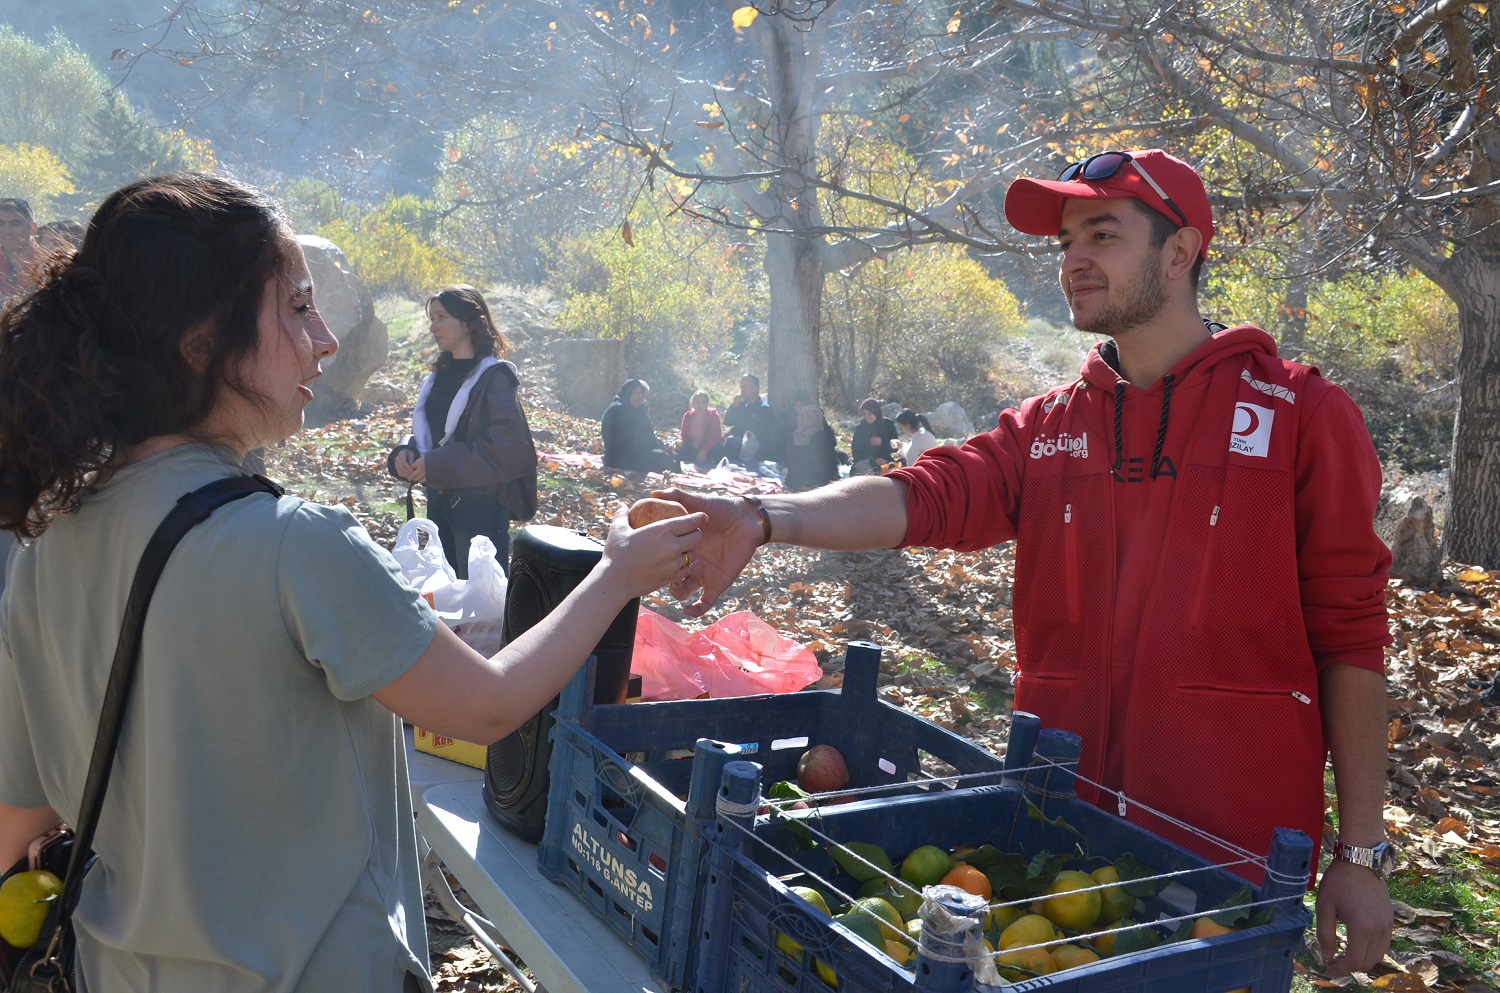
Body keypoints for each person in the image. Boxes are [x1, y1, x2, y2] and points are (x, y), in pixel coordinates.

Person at [659, 149, 1393, 977]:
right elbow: (924, 495)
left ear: (1181, 252)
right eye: (1067, 239)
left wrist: (1361, 851)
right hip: (1057, 851)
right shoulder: (1048, 427)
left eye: (1103, 234)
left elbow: (1353, 639)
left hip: (1227, 867)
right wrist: (765, 518)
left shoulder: (1304, 415)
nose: (1073, 258)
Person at [0, 173, 702, 993]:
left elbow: (22, 812)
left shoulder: (44, 547)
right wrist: (618, 572)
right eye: (297, 307)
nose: (326, 337)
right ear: (198, 343)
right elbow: (488, 703)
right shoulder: (292, 545)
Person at [388, 285, 537, 576]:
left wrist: (436, 463)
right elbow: (437, 433)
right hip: (439, 501)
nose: (433, 327)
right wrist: (407, 450)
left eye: (441, 317)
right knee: (445, 594)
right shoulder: (438, 376)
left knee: (480, 606)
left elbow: (506, 450)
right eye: (432, 318)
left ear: (469, 321)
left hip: (478, 510)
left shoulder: (496, 379)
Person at [601, 378, 676, 473]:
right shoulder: (618, 409)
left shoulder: (635, 410)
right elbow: (632, 441)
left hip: (634, 453)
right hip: (618, 457)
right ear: (627, 393)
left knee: (672, 454)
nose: (639, 397)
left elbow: (646, 435)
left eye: (640, 393)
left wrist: (662, 445)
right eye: (635, 393)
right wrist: (658, 447)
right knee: (663, 458)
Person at [722, 373, 777, 464]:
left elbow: (762, 435)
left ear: (755, 389)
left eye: (745, 387)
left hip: (753, 448)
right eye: (741, 387)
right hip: (737, 443)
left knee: (733, 442)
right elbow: (727, 422)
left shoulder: (763, 409)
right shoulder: (741, 404)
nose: (742, 390)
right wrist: (733, 406)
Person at [783, 403, 840, 491]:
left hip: (795, 482)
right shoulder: (820, 437)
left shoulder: (793, 436)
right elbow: (823, 464)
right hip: (817, 484)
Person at [0, 197, 37, 301]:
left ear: (32, 227)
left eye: (15, 223)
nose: (6, 231)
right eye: (1, 224)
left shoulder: (49, 265)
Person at [850, 397, 898, 475]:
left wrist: (882, 442)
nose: (867, 417)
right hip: (866, 463)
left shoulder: (888, 424)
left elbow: (895, 448)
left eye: (869, 414)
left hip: (886, 461)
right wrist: (873, 460)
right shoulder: (860, 429)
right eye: (864, 414)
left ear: (876, 412)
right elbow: (856, 452)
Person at [677, 389, 724, 468]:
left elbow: (715, 436)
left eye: (703, 402)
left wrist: (704, 451)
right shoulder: (687, 416)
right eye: (697, 401)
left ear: (707, 404)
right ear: (692, 403)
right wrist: (679, 441)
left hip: (710, 447)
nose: (700, 405)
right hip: (693, 447)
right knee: (678, 451)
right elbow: (683, 435)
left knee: (717, 451)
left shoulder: (713, 415)